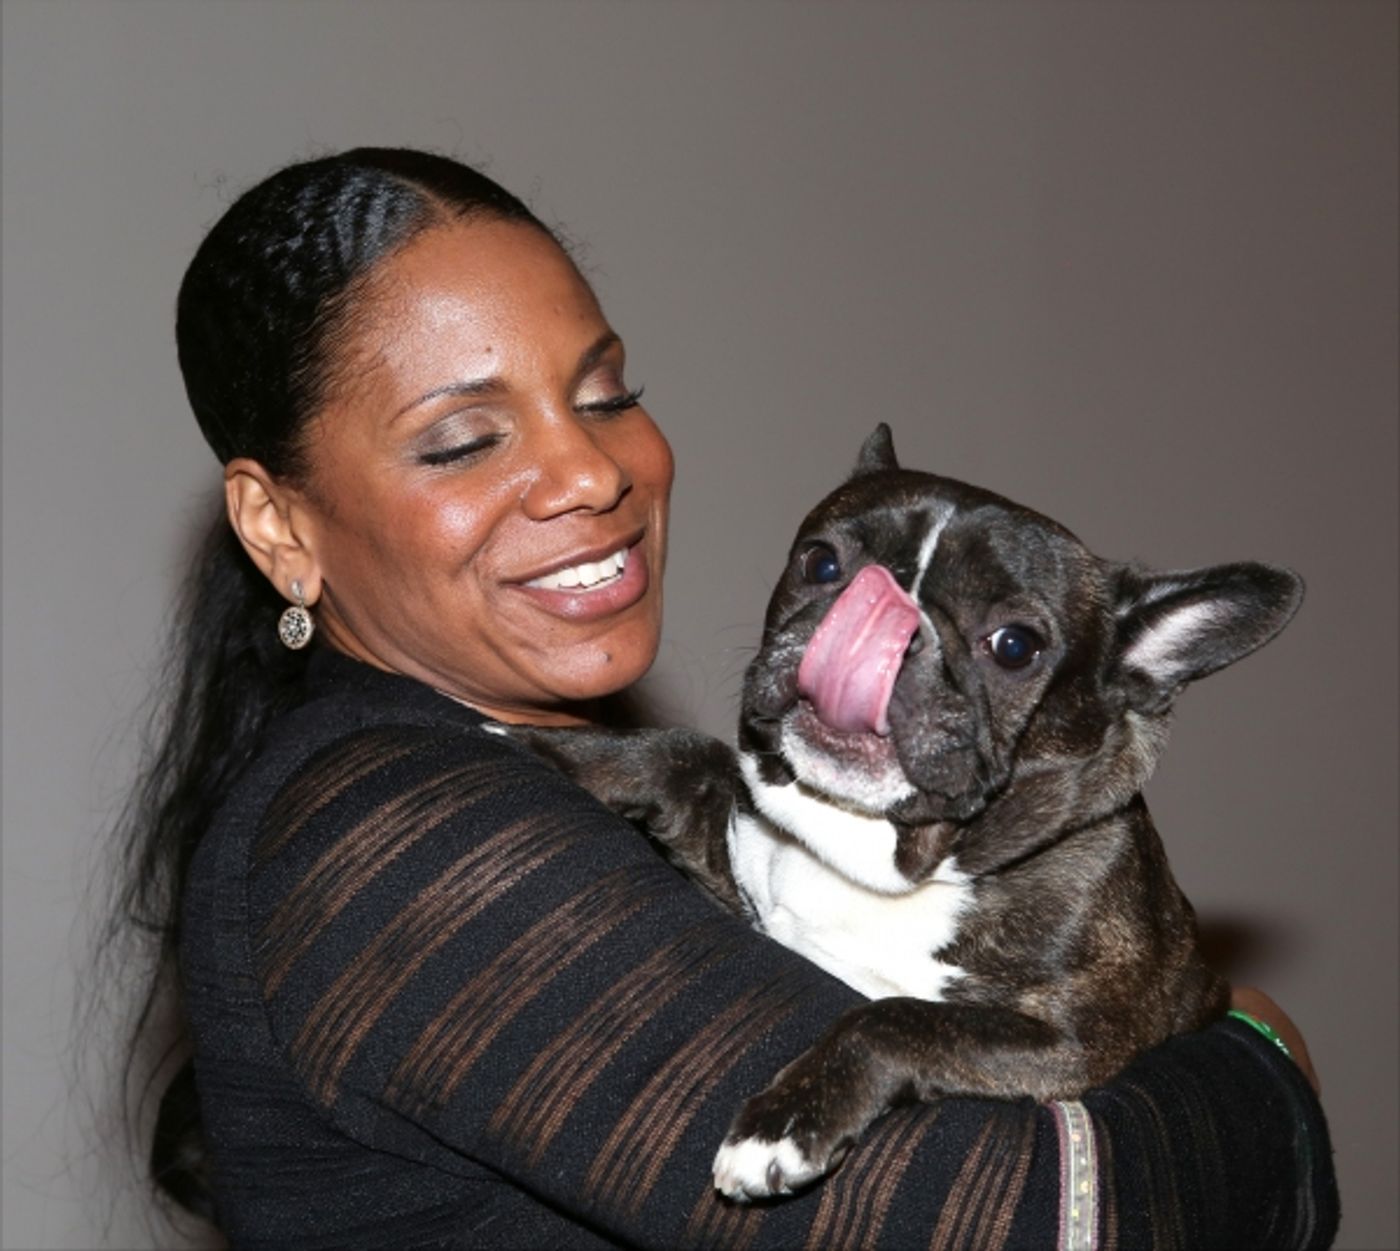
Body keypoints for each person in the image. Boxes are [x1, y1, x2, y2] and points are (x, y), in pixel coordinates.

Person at [113, 147, 1338, 1249]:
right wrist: (1260, 1050)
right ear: (279, 526)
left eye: (604, 397)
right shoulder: (391, 839)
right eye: (462, 441)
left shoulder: (600, 782)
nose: (589, 470)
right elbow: (1019, 1218)